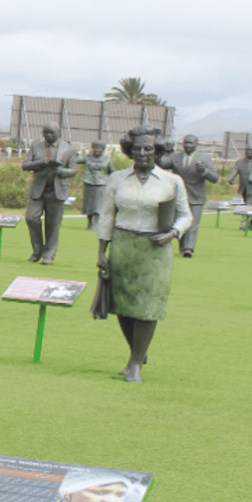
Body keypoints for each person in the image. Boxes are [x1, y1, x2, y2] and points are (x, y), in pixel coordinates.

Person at [95, 125, 191, 383]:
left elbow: (185, 216)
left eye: (148, 148)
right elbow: (106, 216)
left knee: (148, 308)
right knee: (123, 305)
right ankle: (137, 351)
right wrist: (102, 251)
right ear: (129, 151)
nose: (143, 153)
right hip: (123, 245)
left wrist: (173, 234)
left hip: (155, 249)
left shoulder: (172, 182)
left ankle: (136, 363)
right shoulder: (117, 179)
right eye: (137, 148)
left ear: (156, 150)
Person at [21, 122, 77, 265]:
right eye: (45, 133)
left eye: (51, 132)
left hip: (56, 189)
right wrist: (42, 163)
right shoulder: (36, 146)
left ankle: (49, 254)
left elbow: (73, 170)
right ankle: (37, 250)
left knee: (53, 224)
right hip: (38, 188)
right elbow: (25, 165)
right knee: (31, 218)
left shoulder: (69, 149)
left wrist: (61, 171)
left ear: (58, 132)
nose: (48, 135)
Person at [160, 134, 219, 256]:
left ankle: (188, 248)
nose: (187, 145)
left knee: (192, 224)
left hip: (196, 197)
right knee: (179, 222)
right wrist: (159, 151)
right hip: (179, 196)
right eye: (185, 143)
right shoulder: (175, 157)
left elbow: (215, 178)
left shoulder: (205, 158)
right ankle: (183, 247)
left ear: (196, 144)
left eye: (190, 143)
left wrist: (204, 171)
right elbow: (162, 164)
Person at [80, 141, 112, 232]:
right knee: (89, 204)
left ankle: (96, 222)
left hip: (101, 184)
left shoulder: (107, 160)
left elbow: (112, 172)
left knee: (98, 205)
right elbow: (76, 159)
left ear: (103, 149)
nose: (97, 150)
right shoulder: (87, 158)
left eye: (99, 148)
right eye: (95, 147)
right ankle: (89, 221)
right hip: (89, 183)